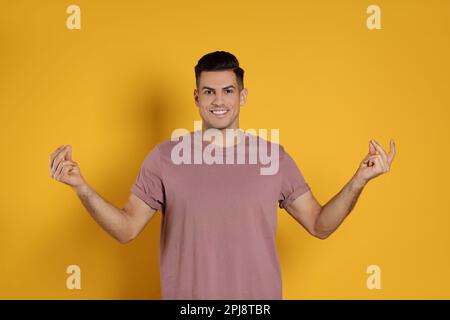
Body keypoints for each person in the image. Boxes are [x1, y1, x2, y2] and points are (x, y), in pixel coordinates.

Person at [49, 51, 396, 300]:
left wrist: (358, 181)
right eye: (210, 91)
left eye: (228, 91)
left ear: (242, 96)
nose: (219, 100)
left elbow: (320, 225)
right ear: (197, 97)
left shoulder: (272, 157)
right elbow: (126, 230)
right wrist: (82, 188)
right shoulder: (164, 158)